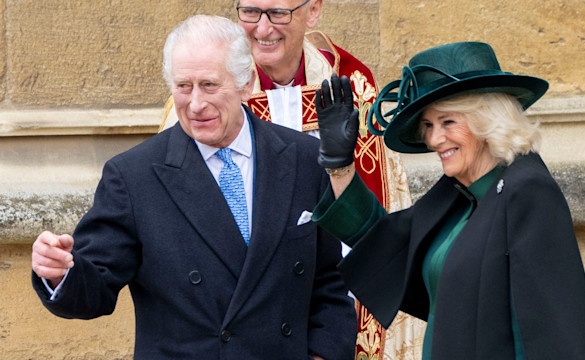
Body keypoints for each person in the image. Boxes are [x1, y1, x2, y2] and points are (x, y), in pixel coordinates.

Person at [31, 15, 356, 360]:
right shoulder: (133, 175)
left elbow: (329, 284)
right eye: (184, 86)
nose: (196, 104)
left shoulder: (304, 158)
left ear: (246, 84)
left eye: (210, 85)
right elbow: (96, 286)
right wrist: (61, 273)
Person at [158, 1, 419, 358]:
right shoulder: (204, 95)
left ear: (312, 11)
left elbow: (380, 209)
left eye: (278, 13)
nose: (263, 29)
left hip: (328, 306)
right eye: (250, 12)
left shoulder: (350, 85)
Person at [312, 42, 585, 359]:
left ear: (487, 119)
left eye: (448, 121)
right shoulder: (457, 195)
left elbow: (551, 336)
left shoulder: (528, 192)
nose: (435, 139)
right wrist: (339, 166)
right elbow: (388, 250)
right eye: (428, 125)